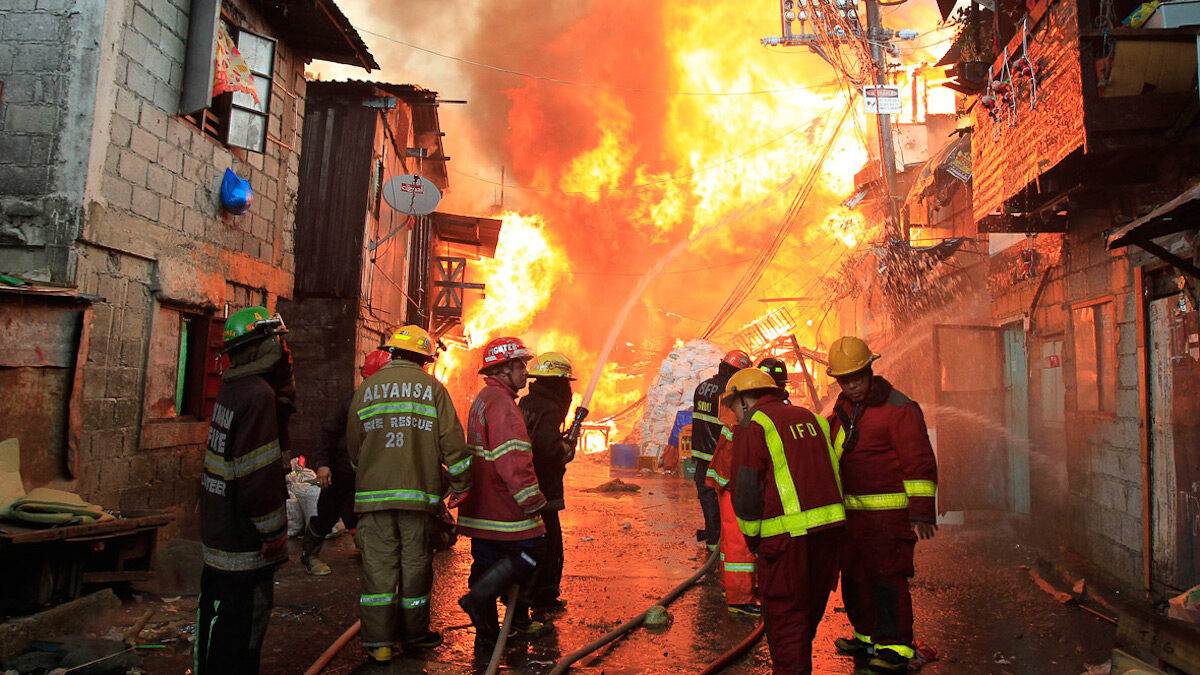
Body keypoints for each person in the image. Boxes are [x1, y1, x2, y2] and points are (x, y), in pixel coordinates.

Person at [346, 326, 473, 663]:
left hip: (373, 498)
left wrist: (372, 470)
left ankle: (380, 644)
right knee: (415, 567)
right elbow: (453, 444)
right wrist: (460, 484)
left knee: (378, 568)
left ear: (392, 353)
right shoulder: (433, 389)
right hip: (418, 498)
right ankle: (415, 637)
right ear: (425, 359)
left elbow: (354, 449)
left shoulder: (366, 389)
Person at [826, 336, 938, 672]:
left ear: (870, 370)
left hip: (889, 521)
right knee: (856, 579)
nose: (852, 385)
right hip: (853, 519)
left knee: (888, 580)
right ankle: (866, 637)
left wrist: (920, 512)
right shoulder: (844, 408)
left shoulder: (899, 409)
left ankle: (895, 647)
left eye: (857, 377)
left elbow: (919, 463)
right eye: (845, 380)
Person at [725, 367, 846, 675]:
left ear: (745, 400)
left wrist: (754, 541)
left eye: (733, 407)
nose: (734, 415)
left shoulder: (754, 425)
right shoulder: (812, 419)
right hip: (829, 536)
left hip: (785, 542)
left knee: (786, 620)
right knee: (807, 616)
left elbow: (747, 490)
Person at [196, 307, 292, 674]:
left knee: (218, 624)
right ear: (262, 347)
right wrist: (273, 530)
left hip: (221, 528)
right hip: (245, 541)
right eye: (278, 342)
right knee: (241, 635)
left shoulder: (234, 387)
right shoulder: (256, 395)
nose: (284, 350)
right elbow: (257, 473)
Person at [457, 336, 549, 662]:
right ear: (504, 368)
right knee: (534, 552)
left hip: (481, 507)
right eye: (521, 365)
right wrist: (532, 500)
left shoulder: (484, 398)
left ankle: (487, 642)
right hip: (503, 508)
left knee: (485, 564)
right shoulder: (503, 406)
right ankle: (477, 598)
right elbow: (513, 461)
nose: (526, 371)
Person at [300, 348, 392, 576]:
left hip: (370, 474)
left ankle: (368, 549)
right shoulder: (349, 403)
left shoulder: (390, 407)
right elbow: (327, 433)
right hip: (341, 472)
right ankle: (309, 555)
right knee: (327, 515)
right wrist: (323, 464)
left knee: (368, 516)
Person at [519, 352, 576, 611]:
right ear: (558, 383)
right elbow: (545, 447)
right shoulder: (550, 407)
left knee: (533, 541)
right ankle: (543, 597)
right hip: (544, 488)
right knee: (549, 545)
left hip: (528, 485)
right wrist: (564, 449)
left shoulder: (528, 402)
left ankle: (525, 595)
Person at [691, 349, 752, 551]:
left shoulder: (701, 387)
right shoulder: (728, 395)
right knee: (724, 503)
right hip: (719, 457)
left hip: (700, 456)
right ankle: (719, 545)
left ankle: (712, 540)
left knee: (707, 501)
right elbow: (734, 427)